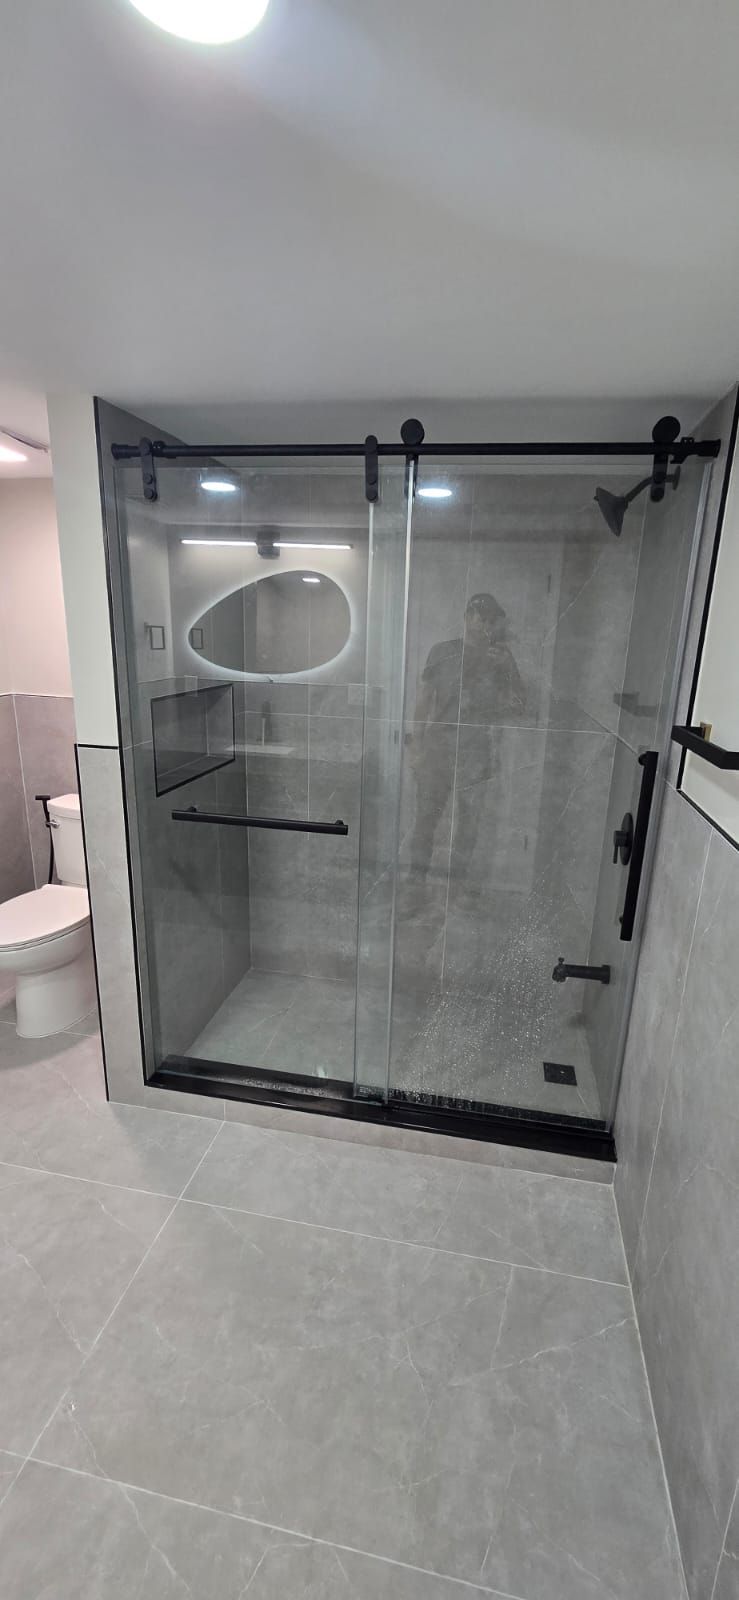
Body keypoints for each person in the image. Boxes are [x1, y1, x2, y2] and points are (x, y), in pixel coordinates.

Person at [407, 593, 526, 887]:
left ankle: (459, 889)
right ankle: (414, 881)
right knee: (425, 819)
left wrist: (507, 669)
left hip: (477, 749)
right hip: (438, 748)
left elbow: (519, 706)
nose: (483, 622)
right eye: (478, 615)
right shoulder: (442, 652)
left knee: (469, 826)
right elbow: (423, 700)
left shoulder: (502, 657)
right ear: (466, 616)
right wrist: (415, 746)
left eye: (489, 618)